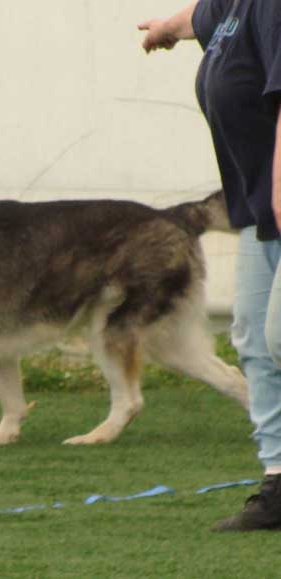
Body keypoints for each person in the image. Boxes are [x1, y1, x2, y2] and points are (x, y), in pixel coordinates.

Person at [139, 0, 281, 531]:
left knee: (279, 336)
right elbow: (202, 15)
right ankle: (279, 483)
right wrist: (167, 29)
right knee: (252, 338)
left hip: (277, 198)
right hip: (261, 205)